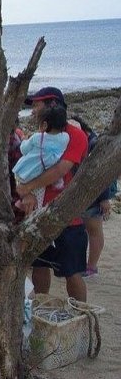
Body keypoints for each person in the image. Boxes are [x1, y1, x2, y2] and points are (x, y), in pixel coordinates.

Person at [19, 87, 89, 302]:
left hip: (68, 214)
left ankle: (80, 313)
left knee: (71, 271)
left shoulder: (74, 134)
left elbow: (61, 169)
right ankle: (41, 306)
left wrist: (28, 187)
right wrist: (26, 191)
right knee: (40, 265)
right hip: (39, 210)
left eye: (37, 105)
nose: (34, 111)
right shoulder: (41, 135)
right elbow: (26, 163)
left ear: (52, 104)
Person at [72, 115, 114, 277]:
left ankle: (91, 266)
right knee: (87, 231)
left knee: (94, 230)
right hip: (84, 194)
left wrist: (104, 198)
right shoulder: (88, 141)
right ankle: (87, 265)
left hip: (94, 196)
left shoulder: (93, 144)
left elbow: (101, 172)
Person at [11, 105, 69, 210]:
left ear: (45, 124)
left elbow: (23, 149)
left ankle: (24, 210)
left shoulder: (38, 137)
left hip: (25, 172)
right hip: (41, 173)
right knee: (38, 199)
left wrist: (24, 139)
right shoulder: (65, 138)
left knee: (28, 198)